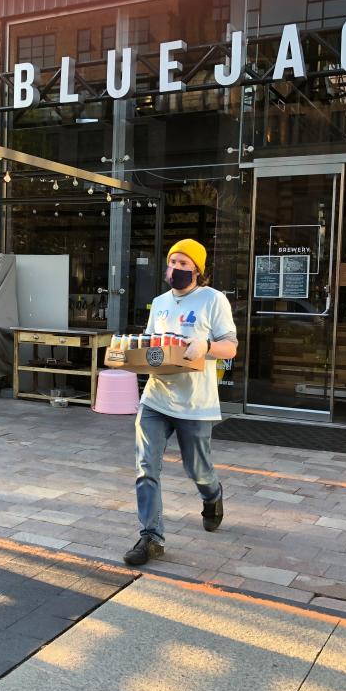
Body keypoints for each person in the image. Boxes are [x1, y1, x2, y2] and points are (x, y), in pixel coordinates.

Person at [124, 239, 238, 566]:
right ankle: (151, 536)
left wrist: (206, 346)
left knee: (197, 469)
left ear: (198, 271)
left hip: (195, 403)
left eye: (184, 264)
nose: (175, 269)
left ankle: (212, 495)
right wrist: (134, 358)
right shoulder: (159, 302)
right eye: (172, 262)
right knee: (146, 467)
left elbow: (230, 347)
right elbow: (151, 347)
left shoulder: (212, 300)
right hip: (156, 398)